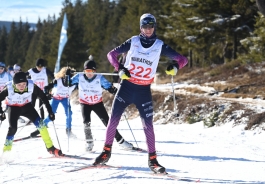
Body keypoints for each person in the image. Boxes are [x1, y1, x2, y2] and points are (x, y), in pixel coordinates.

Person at [93, 13, 188, 173]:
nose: (148, 29)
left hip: (144, 90)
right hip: (127, 87)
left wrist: (175, 67)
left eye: (151, 26)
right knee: (113, 121)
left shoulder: (159, 45)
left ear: (154, 27)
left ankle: (153, 161)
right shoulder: (133, 41)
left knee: (148, 126)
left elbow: (182, 59)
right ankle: (106, 152)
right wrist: (120, 68)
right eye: (145, 26)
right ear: (140, 27)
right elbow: (111, 55)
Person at [70, 59, 135, 151]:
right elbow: (67, 83)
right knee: (86, 123)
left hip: (97, 103)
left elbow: (109, 87)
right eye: (87, 71)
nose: (89, 73)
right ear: (84, 71)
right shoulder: (79, 76)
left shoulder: (99, 78)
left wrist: (118, 93)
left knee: (108, 123)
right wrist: (68, 75)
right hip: (85, 103)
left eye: (91, 71)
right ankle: (89, 142)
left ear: (94, 71)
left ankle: (121, 141)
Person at [0, 72, 62, 156]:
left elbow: (43, 97)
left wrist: (50, 111)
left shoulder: (31, 85)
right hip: (14, 107)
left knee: (42, 125)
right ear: (14, 84)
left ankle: (50, 148)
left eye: (24, 84)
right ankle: (6, 153)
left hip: (26, 107)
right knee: (13, 129)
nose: (22, 87)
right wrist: (1, 112)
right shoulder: (8, 88)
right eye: (19, 85)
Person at [43, 67, 77, 138]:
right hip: (56, 98)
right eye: (67, 76)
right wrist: (47, 94)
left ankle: (68, 130)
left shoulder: (74, 83)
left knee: (69, 113)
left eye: (71, 76)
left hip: (65, 98)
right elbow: (46, 88)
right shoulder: (57, 80)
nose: (69, 78)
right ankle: (42, 125)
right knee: (51, 114)